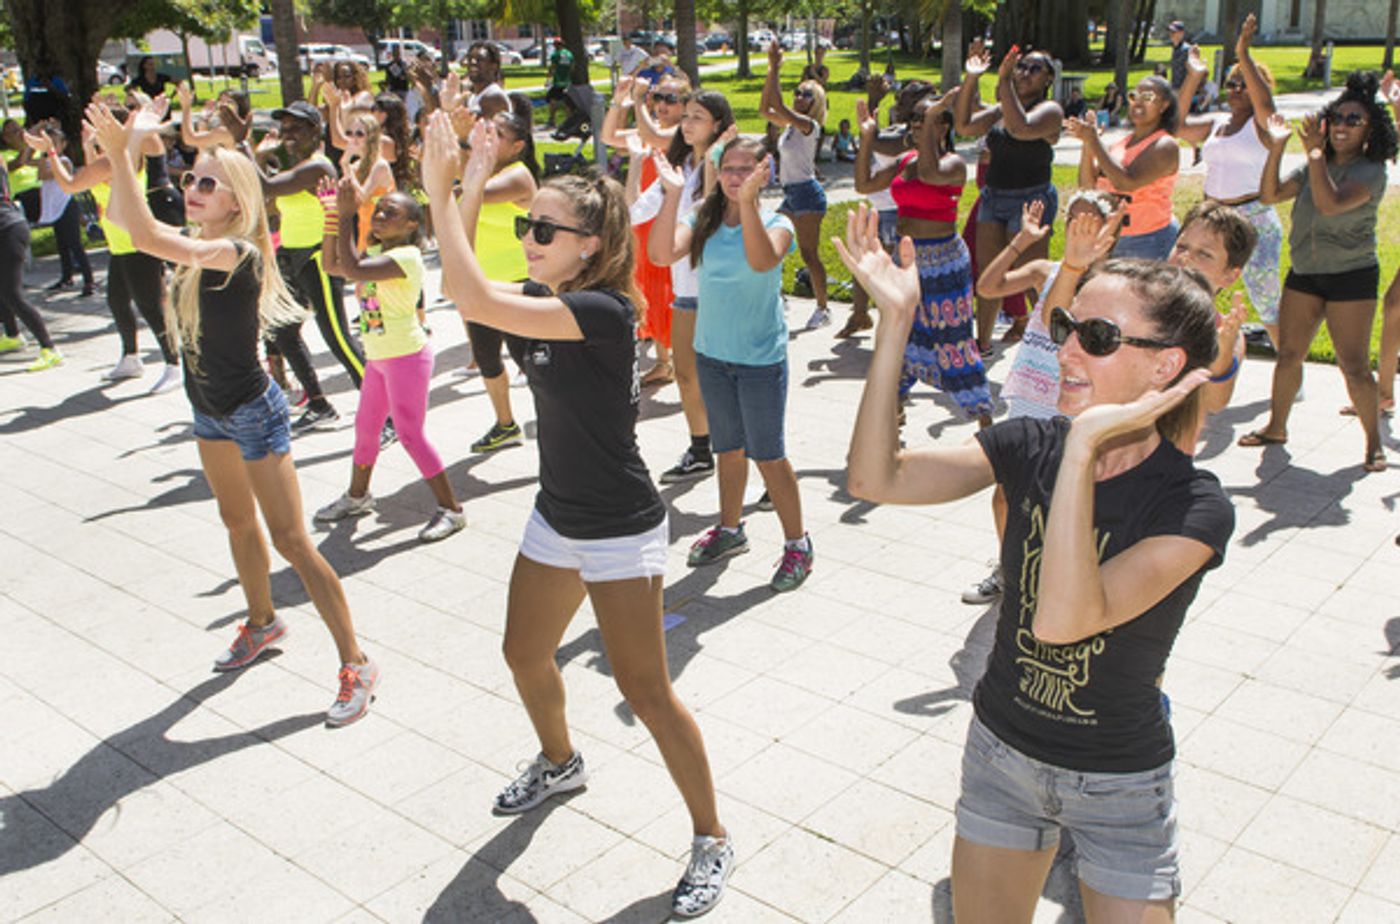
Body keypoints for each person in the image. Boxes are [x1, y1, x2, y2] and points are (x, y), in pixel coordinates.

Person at [837, 204, 1234, 924]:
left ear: (1166, 366)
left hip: (1119, 783)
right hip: (1002, 756)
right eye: (1065, 327)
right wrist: (895, 322)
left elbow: (1064, 621)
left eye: (1097, 338)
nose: (1067, 350)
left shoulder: (1193, 507)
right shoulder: (1031, 444)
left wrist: (1080, 449)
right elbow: (874, 478)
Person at [422, 111, 734, 917]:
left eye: (543, 230)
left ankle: (711, 837)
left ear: (590, 245)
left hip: (622, 526)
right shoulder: (546, 297)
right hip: (556, 516)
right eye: (524, 226)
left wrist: (438, 189)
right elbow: (465, 289)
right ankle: (560, 762)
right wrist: (467, 180)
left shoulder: (601, 313)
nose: (527, 239)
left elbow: (465, 288)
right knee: (524, 653)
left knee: (647, 690)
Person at [87, 102, 379, 726]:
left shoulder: (237, 253)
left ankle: (356, 661)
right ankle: (262, 621)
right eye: (191, 179)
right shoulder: (197, 244)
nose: (194, 189)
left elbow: (145, 236)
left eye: (208, 184)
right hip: (208, 412)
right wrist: (128, 151)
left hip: (253, 413)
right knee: (236, 522)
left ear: (238, 199)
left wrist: (121, 154)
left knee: (291, 541)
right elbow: (121, 220)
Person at [650, 136, 814, 593]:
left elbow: (761, 262)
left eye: (747, 168)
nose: (736, 176)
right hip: (713, 356)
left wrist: (746, 205)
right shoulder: (700, 219)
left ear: (766, 171)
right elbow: (661, 254)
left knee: (769, 455)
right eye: (728, 168)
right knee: (728, 451)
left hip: (760, 360)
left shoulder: (777, 223)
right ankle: (730, 529)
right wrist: (671, 194)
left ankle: (798, 543)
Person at [961, 192, 1121, 605]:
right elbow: (987, 286)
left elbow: (1061, 322)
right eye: (1074, 220)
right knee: (1006, 493)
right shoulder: (1046, 270)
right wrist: (1021, 242)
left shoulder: (1110, 287)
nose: (1080, 228)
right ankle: (1009, 568)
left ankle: (1062, 578)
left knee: (1066, 498)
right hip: (1030, 397)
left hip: (1074, 403)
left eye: (1091, 222)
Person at [1240, 72, 1395, 473]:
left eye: (1353, 120)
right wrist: (1278, 148)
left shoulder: (1371, 172)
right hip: (1305, 273)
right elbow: (1269, 195)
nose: (1342, 125)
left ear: (1370, 131)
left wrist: (1314, 155)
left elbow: (1329, 205)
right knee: (1289, 355)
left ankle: (1373, 443)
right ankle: (1276, 427)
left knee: (1354, 366)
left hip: (1351, 276)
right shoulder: (1315, 163)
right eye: (1337, 117)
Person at [313, 178, 466, 542]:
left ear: (412, 225)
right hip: (379, 359)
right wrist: (333, 215)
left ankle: (452, 510)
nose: (379, 216)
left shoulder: (406, 258)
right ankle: (357, 496)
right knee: (366, 430)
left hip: (406, 358)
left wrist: (348, 215)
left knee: (410, 434)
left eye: (390, 213)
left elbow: (351, 270)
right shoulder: (377, 255)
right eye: (378, 211)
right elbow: (332, 264)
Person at [858, 89, 994, 428]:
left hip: (943, 263)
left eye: (927, 118)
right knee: (899, 333)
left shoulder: (953, 164)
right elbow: (863, 184)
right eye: (916, 119)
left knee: (953, 340)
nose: (917, 125)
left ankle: (983, 418)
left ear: (943, 125)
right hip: (906, 260)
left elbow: (931, 174)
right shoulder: (905, 161)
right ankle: (893, 411)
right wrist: (866, 138)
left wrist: (933, 119)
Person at [232, 100, 364, 430]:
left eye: (297, 128)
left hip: (319, 259)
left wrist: (242, 143)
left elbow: (265, 187)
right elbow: (267, 200)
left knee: (337, 337)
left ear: (315, 131)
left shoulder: (317, 168)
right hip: (291, 259)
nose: (289, 134)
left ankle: (385, 409)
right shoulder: (298, 168)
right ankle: (318, 404)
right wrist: (257, 155)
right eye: (285, 128)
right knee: (282, 330)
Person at [38, 105, 181, 392]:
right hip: (121, 245)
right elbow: (96, 176)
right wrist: (90, 144)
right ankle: (130, 358)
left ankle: (174, 365)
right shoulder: (123, 157)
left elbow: (69, 185)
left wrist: (50, 152)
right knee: (118, 301)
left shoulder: (112, 162)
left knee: (151, 306)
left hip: (134, 244)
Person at [633, 91, 736, 485]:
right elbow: (638, 208)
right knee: (687, 374)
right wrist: (635, 164)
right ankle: (700, 450)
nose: (687, 124)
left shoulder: (732, 163)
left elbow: (711, 213)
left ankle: (762, 462)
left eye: (698, 117)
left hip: (721, 288)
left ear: (718, 124)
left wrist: (715, 158)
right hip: (686, 289)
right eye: (686, 116)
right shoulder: (679, 166)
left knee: (731, 380)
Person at [1174, 13, 1284, 353]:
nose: (1236, 90)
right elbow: (1176, 125)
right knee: (1194, 288)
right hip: (1214, 216)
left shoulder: (1263, 126)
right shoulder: (1217, 123)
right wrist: (1193, 77)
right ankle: (1196, 355)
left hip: (1253, 217)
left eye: (1244, 84)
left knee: (1266, 299)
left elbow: (1266, 105)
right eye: (1232, 84)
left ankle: (1288, 362)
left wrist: (1243, 55)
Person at [954, 39, 1064, 354]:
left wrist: (1004, 81)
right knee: (990, 275)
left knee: (1033, 277)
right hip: (994, 196)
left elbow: (1020, 129)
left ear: (1048, 79)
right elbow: (964, 125)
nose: (1026, 72)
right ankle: (982, 343)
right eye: (1022, 66)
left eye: (1035, 69)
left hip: (1031, 200)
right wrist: (972, 76)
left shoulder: (1050, 111)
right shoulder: (1005, 107)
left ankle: (1054, 347)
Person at [446, 95, 540, 454]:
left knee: (529, 361)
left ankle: (557, 417)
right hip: (481, 283)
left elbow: (471, 191)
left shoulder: (518, 176)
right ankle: (505, 424)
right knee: (486, 358)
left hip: (518, 284)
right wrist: (460, 141)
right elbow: (461, 178)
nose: (488, 137)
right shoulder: (480, 166)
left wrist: (461, 149)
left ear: (517, 147)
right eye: (487, 130)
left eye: (498, 135)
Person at [1069, 74, 1181, 260]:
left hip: (1148, 239)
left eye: (1147, 97)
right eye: (1133, 96)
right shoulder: (1121, 144)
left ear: (1164, 105)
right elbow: (1088, 187)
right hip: (1111, 236)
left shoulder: (1165, 146)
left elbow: (1126, 183)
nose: (1138, 102)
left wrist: (1094, 140)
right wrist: (1087, 145)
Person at [760, 40, 830, 331]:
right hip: (791, 194)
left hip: (807, 195)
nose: (800, 97)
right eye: (798, 92)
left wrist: (776, 67)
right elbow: (766, 108)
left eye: (807, 95)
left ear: (816, 102)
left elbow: (777, 106)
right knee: (771, 245)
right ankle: (779, 296)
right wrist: (770, 71)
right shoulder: (791, 127)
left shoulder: (808, 127)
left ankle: (823, 308)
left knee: (809, 254)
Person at [0, 150, 61, 371]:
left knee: (12, 293)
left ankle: (50, 349)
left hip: (8, 229)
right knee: (2, 289)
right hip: (8, 227)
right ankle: (13, 335)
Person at [31, 123, 95, 296]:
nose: (51, 146)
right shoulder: (46, 161)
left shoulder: (64, 162)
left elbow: (45, 175)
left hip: (66, 205)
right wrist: (41, 150)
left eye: (55, 143)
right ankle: (66, 277)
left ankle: (89, 280)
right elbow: (33, 168)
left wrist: (45, 156)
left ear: (63, 144)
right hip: (54, 207)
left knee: (75, 243)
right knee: (62, 244)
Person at [545, 38, 574, 129]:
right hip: (567, 82)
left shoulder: (555, 55)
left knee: (552, 101)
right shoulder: (569, 54)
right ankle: (570, 121)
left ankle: (552, 120)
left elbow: (552, 68)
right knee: (566, 102)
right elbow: (572, 67)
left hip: (558, 82)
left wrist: (548, 79)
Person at [1167, 21, 1190, 92]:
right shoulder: (1175, 48)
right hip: (1175, 87)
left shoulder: (1186, 49)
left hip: (1184, 89)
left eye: (1174, 32)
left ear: (1181, 33)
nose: (1171, 34)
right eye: (1170, 32)